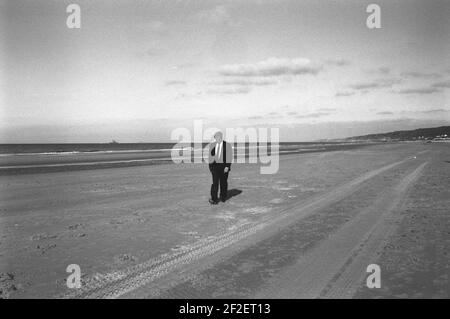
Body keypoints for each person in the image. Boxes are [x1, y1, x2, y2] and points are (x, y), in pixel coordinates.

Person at [208, 131, 233, 204]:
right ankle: (214, 199)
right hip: (215, 167)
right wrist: (210, 167)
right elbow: (210, 156)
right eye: (215, 137)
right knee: (215, 184)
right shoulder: (212, 145)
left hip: (224, 167)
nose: (217, 138)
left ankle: (223, 197)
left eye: (218, 137)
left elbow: (229, 156)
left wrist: (227, 166)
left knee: (223, 183)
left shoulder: (227, 145)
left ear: (221, 137)